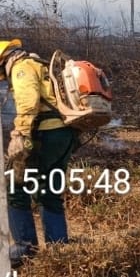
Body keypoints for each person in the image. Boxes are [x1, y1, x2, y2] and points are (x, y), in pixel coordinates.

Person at [0, 39, 80, 268]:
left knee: (14, 187)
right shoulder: (40, 64)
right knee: (50, 191)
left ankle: (25, 249)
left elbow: (28, 101)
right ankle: (59, 252)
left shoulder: (21, 67)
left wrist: (20, 134)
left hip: (44, 135)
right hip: (64, 134)